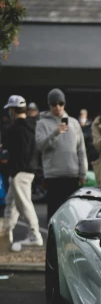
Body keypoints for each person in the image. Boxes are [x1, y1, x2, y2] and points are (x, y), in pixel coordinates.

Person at [36, 88, 87, 221]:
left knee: (71, 212)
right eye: (54, 104)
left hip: (72, 173)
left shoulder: (74, 123)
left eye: (60, 103)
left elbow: (81, 149)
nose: (57, 107)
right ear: (49, 105)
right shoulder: (42, 123)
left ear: (64, 104)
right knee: (54, 212)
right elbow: (40, 146)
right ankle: (51, 240)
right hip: (53, 175)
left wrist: (83, 173)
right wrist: (55, 132)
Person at [2, 95, 43, 249]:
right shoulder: (33, 125)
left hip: (19, 171)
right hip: (29, 169)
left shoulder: (14, 129)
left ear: (13, 110)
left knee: (24, 204)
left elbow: (9, 151)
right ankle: (6, 234)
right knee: (10, 203)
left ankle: (35, 235)